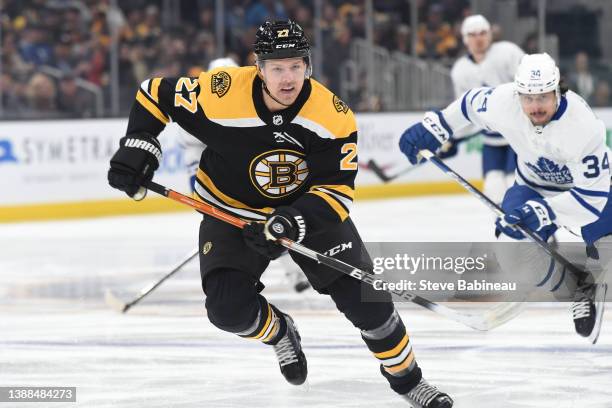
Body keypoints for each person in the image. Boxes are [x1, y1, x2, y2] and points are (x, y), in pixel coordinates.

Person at [107, 19, 453, 408]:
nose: (288, 78)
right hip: (229, 209)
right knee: (227, 310)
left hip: (304, 213)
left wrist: (292, 221)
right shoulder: (220, 92)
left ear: (308, 65)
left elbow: (336, 192)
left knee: (369, 304)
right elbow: (153, 94)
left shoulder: (332, 115)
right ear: (259, 67)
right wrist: (139, 144)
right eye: (277, 68)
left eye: (295, 66)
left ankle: (408, 382)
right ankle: (280, 332)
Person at [399, 53, 611, 343]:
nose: (535, 106)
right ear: (518, 93)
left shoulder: (583, 127)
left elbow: (592, 200)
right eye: (528, 97)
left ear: (557, 91)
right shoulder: (503, 102)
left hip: (590, 195)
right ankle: (578, 288)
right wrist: (435, 127)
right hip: (532, 186)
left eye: (543, 97)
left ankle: (598, 273)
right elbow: (469, 104)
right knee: (512, 254)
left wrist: (543, 212)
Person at [178, 56, 311, 293]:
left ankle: (295, 271)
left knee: (270, 222)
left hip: (257, 178)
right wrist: (201, 196)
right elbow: (193, 158)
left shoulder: (258, 102)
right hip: (223, 184)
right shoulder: (197, 111)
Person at [447, 15, 524, 204]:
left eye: (482, 33)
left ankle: (532, 225)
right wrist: (453, 137)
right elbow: (465, 110)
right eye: (472, 34)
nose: (478, 38)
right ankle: (507, 231)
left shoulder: (508, 52)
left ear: (490, 34)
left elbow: (528, 85)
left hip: (519, 135)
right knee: (493, 188)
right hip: (492, 140)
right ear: (465, 39)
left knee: (514, 184)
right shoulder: (460, 69)